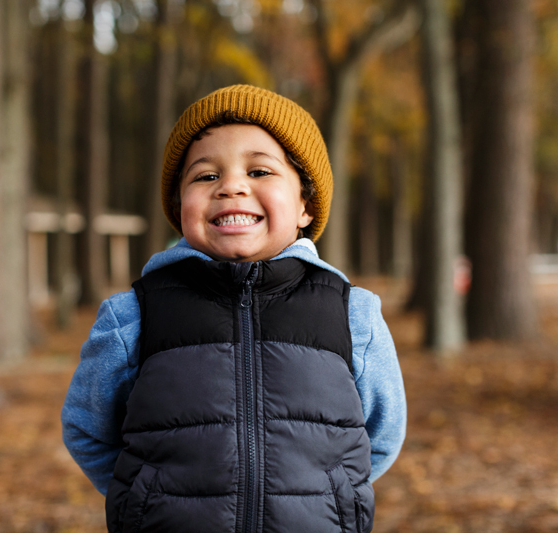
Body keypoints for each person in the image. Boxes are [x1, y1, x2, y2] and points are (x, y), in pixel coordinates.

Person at [61, 85, 406, 533]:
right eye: (205, 176)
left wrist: (337, 495)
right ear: (178, 206)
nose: (232, 186)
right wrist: (143, 497)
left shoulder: (351, 314)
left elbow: (381, 434)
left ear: (305, 203)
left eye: (260, 170)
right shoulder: (133, 316)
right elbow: (88, 429)